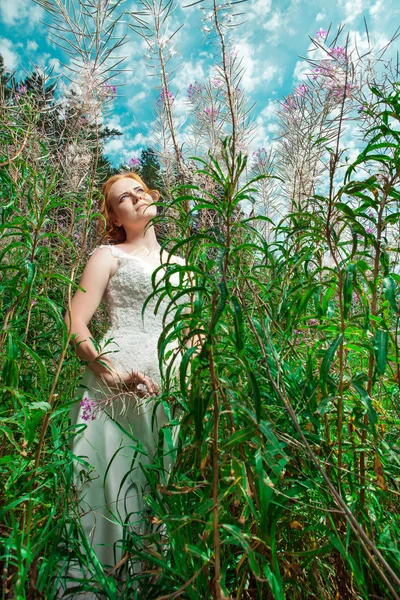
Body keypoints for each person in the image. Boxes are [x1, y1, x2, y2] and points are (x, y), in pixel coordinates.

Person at [62, 172, 186, 596]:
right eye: (122, 198)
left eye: (139, 190)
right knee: (108, 485)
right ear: (115, 217)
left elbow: (192, 332)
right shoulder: (107, 255)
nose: (135, 198)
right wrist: (106, 372)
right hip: (110, 396)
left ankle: (156, 586)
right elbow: (76, 321)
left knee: (162, 491)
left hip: (170, 396)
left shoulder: (183, 266)